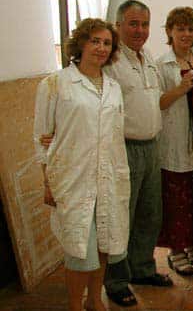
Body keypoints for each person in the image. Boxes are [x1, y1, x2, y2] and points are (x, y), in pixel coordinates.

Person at [34, 18, 129, 311]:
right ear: (81, 44)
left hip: (108, 177)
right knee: (79, 249)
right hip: (73, 179)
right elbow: (41, 138)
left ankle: (94, 300)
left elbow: (115, 135)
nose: (101, 48)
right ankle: (75, 304)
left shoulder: (113, 87)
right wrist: (48, 182)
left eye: (107, 43)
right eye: (95, 41)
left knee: (103, 243)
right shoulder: (55, 84)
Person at [103, 0, 172, 307]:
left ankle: (142, 269)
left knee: (149, 213)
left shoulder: (149, 57)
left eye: (144, 24)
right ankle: (116, 281)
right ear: (118, 25)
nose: (139, 30)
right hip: (124, 148)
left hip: (151, 146)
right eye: (133, 24)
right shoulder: (111, 61)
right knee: (122, 217)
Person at [156, 7, 193, 275]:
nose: (186, 34)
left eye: (190, 29)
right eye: (180, 29)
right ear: (169, 32)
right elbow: (157, 103)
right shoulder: (161, 65)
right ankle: (176, 249)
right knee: (176, 198)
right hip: (174, 138)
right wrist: (180, 89)